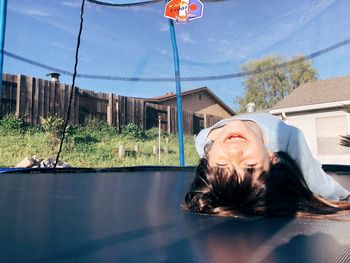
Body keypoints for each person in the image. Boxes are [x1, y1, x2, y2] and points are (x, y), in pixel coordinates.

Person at [185, 112, 350, 217]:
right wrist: (343, 194)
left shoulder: (203, 139)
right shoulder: (288, 137)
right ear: (272, 157)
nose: (234, 151)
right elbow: (316, 180)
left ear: (207, 155)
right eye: (250, 164)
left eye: (221, 164)